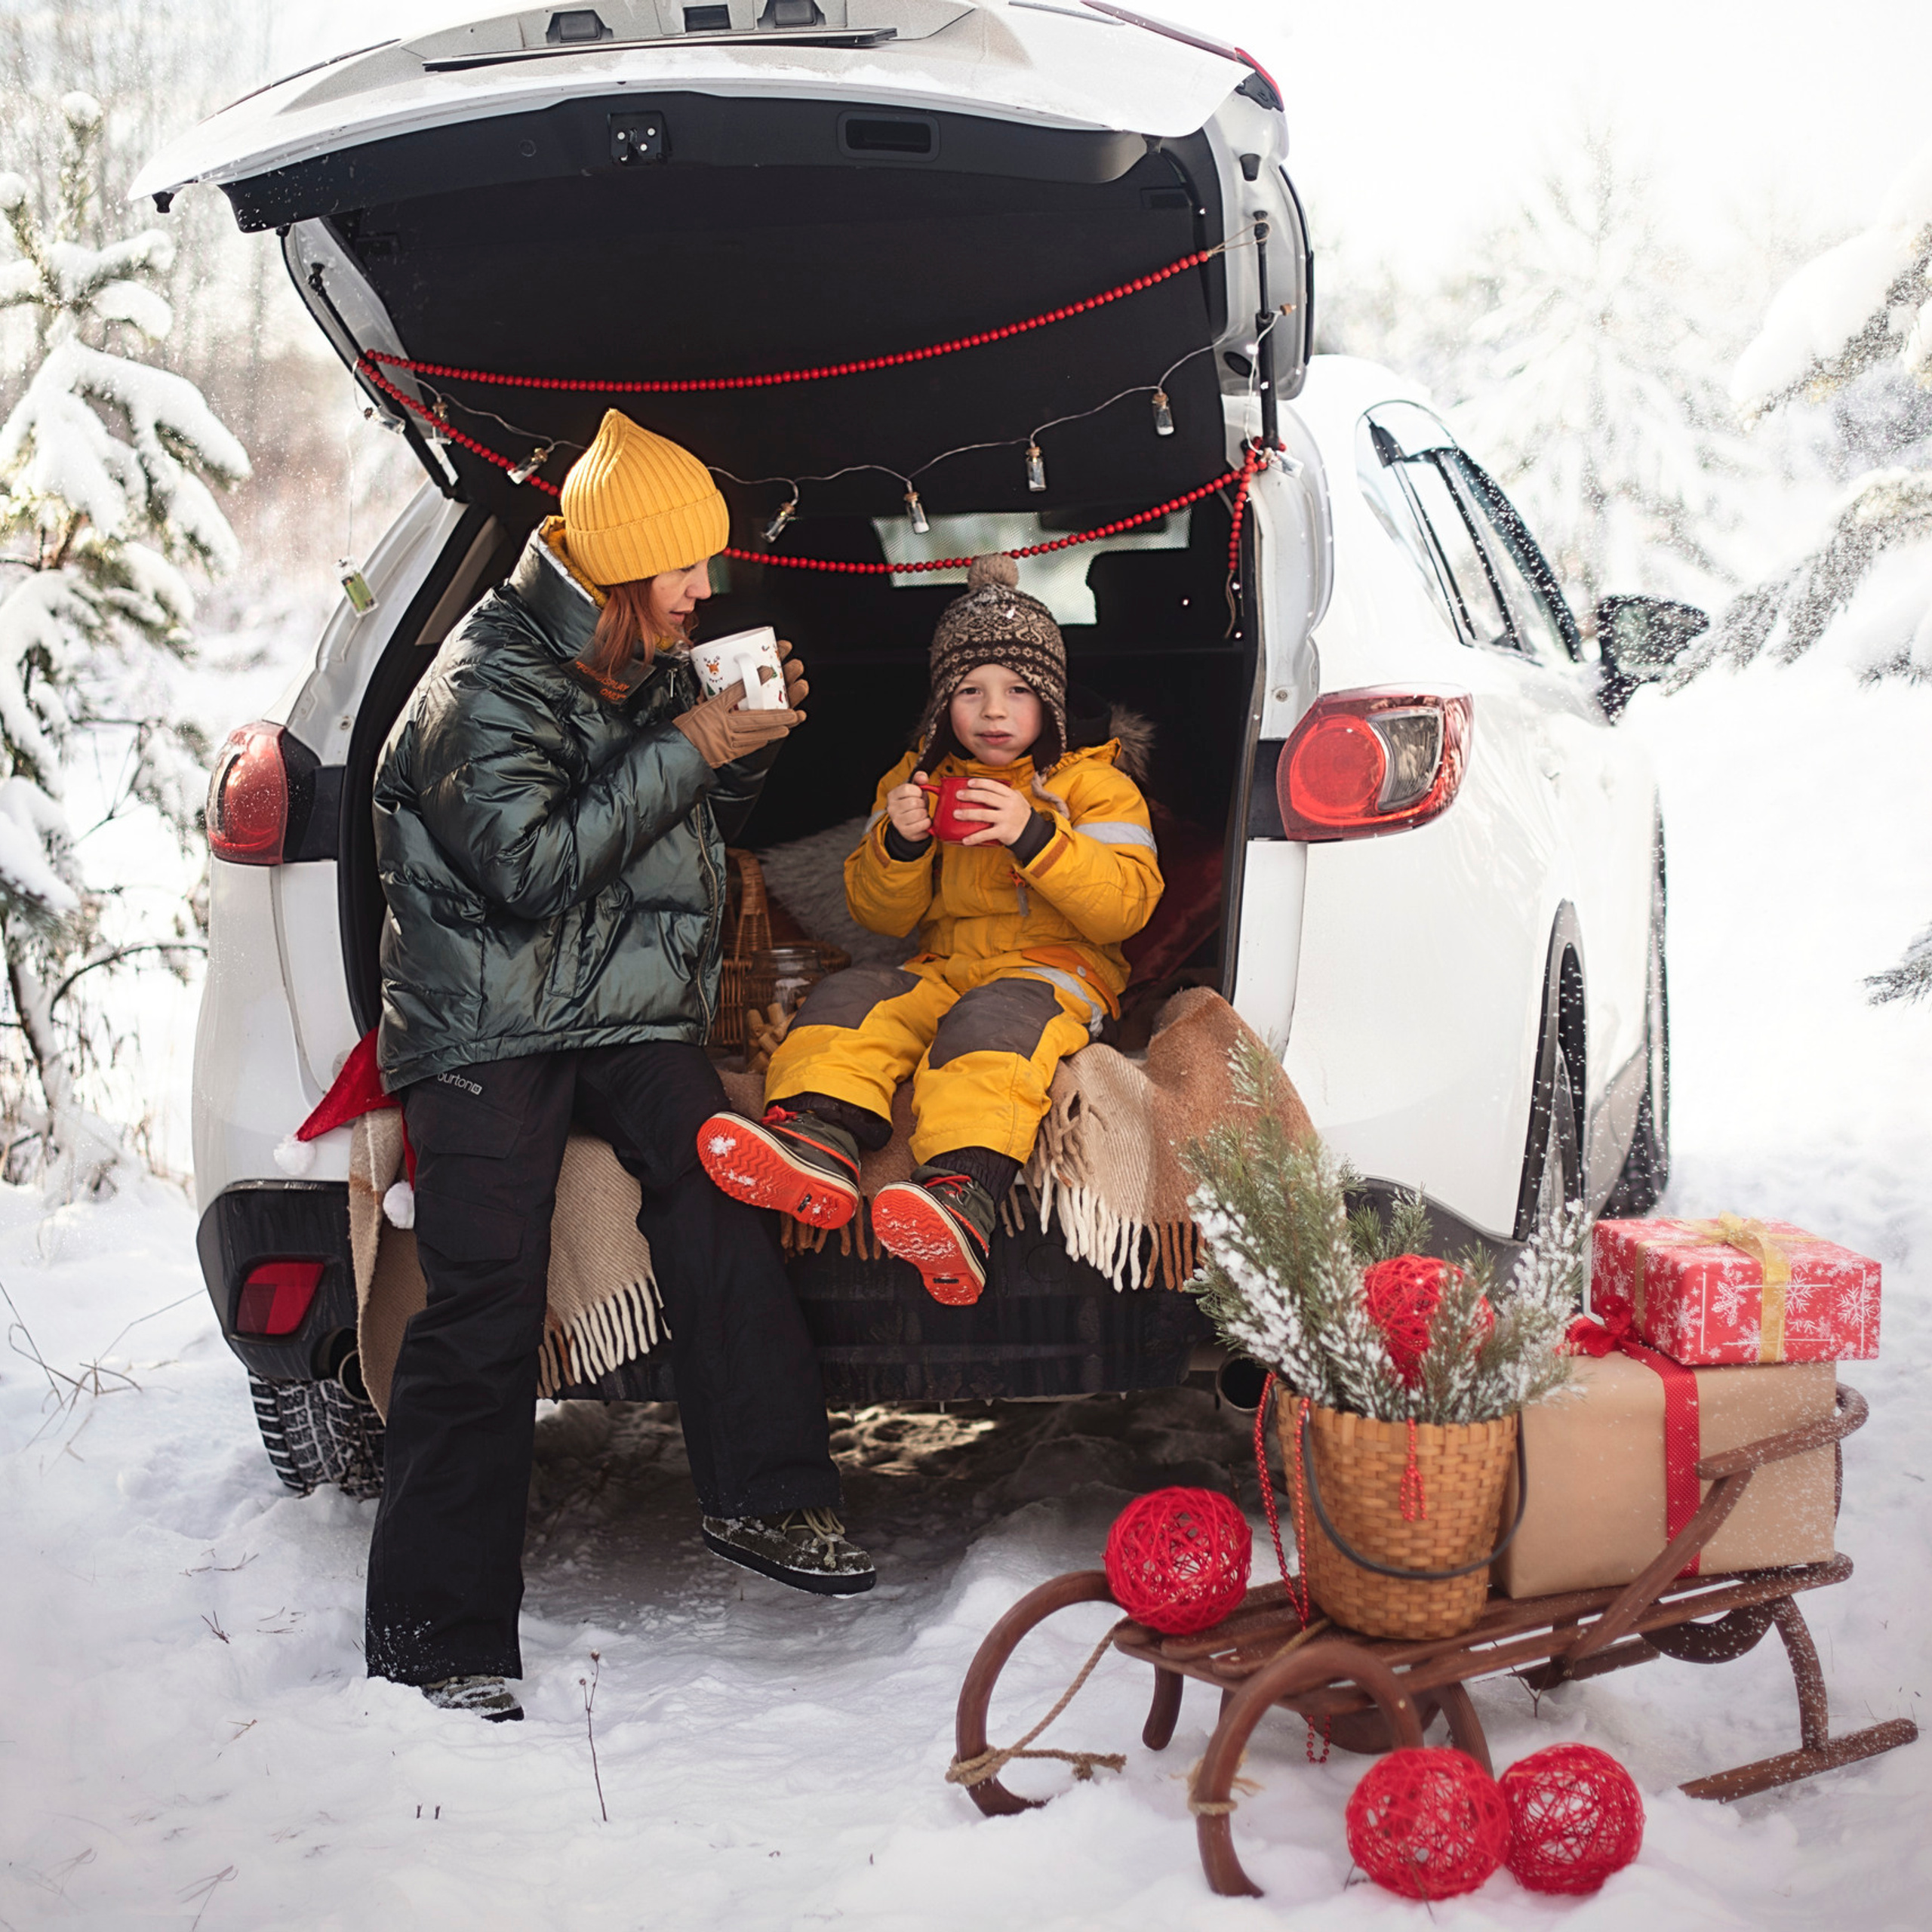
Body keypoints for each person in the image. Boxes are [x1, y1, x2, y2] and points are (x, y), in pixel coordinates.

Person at [366, 410, 872, 1725]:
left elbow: (663, 845)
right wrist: (690, 747)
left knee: (721, 1185)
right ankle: (438, 1630)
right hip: (484, 1018)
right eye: (686, 569)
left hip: (616, 1009)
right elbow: (527, 869)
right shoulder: (486, 685)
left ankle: (769, 1499)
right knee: (484, 1295)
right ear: (619, 571)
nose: (706, 591)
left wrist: (732, 760)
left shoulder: (633, 662)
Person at [697, 554, 1164, 1303]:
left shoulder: (1092, 784)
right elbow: (877, 914)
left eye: (1017, 691)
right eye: (969, 692)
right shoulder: (915, 779)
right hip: (940, 963)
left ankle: (959, 1192)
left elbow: (1125, 906)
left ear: (1050, 699)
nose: (993, 712)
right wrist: (901, 843)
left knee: (989, 1031)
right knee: (852, 998)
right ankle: (815, 1138)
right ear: (942, 703)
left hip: (1054, 973)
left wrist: (1035, 837)